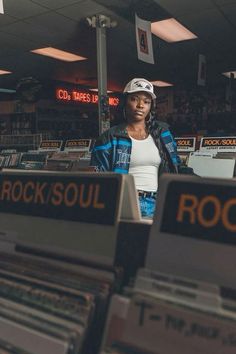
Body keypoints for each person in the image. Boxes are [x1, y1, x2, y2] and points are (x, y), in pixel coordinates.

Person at [90, 78, 180, 218]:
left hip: (160, 201)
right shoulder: (110, 137)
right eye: (134, 99)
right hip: (127, 202)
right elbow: (98, 179)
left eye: (146, 101)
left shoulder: (162, 133)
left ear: (151, 106)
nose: (140, 105)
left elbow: (176, 166)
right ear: (125, 102)